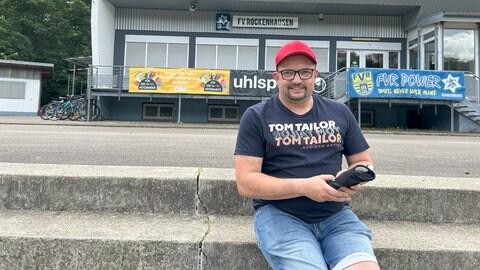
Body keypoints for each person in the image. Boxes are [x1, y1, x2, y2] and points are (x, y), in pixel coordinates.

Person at [234, 40, 380, 270]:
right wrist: (304, 187)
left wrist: (353, 179)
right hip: (281, 215)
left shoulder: (340, 112)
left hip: (336, 217)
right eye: (288, 73)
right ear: (276, 77)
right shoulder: (256, 116)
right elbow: (246, 183)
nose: (297, 80)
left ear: (315, 75)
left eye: (304, 72)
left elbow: (363, 161)